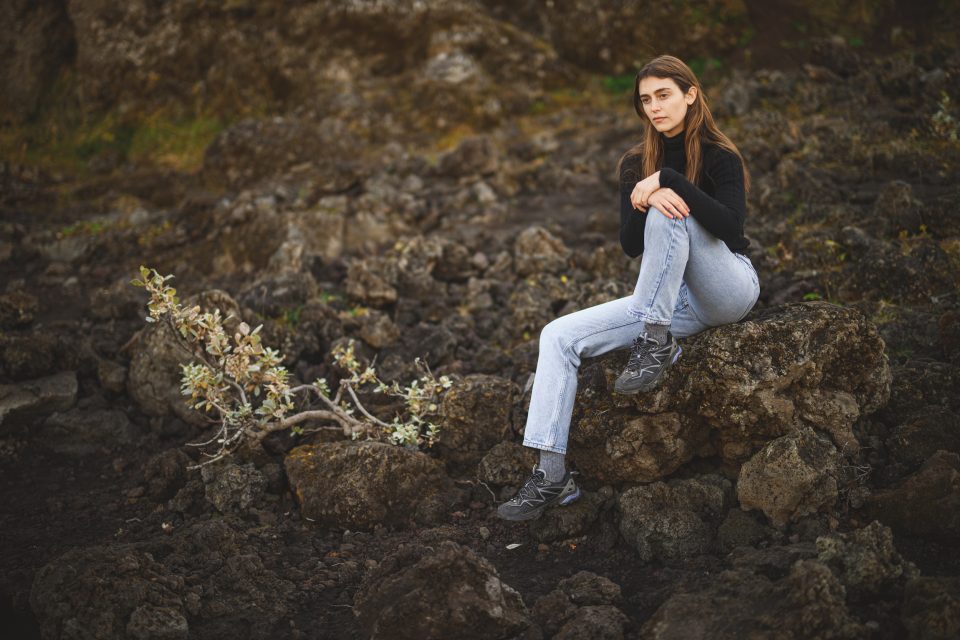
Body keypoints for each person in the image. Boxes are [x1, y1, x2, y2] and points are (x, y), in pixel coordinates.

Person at [497, 54, 760, 521]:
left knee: (668, 206)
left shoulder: (720, 155)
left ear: (690, 94)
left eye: (664, 95)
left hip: (728, 288)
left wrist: (669, 183)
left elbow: (734, 230)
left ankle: (655, 342)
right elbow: (629, 245)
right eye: (646, 100)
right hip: (672, 299)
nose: (655, 107)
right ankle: (552, 474)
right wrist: (645, 193)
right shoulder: (636, 162)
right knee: (557, 336)